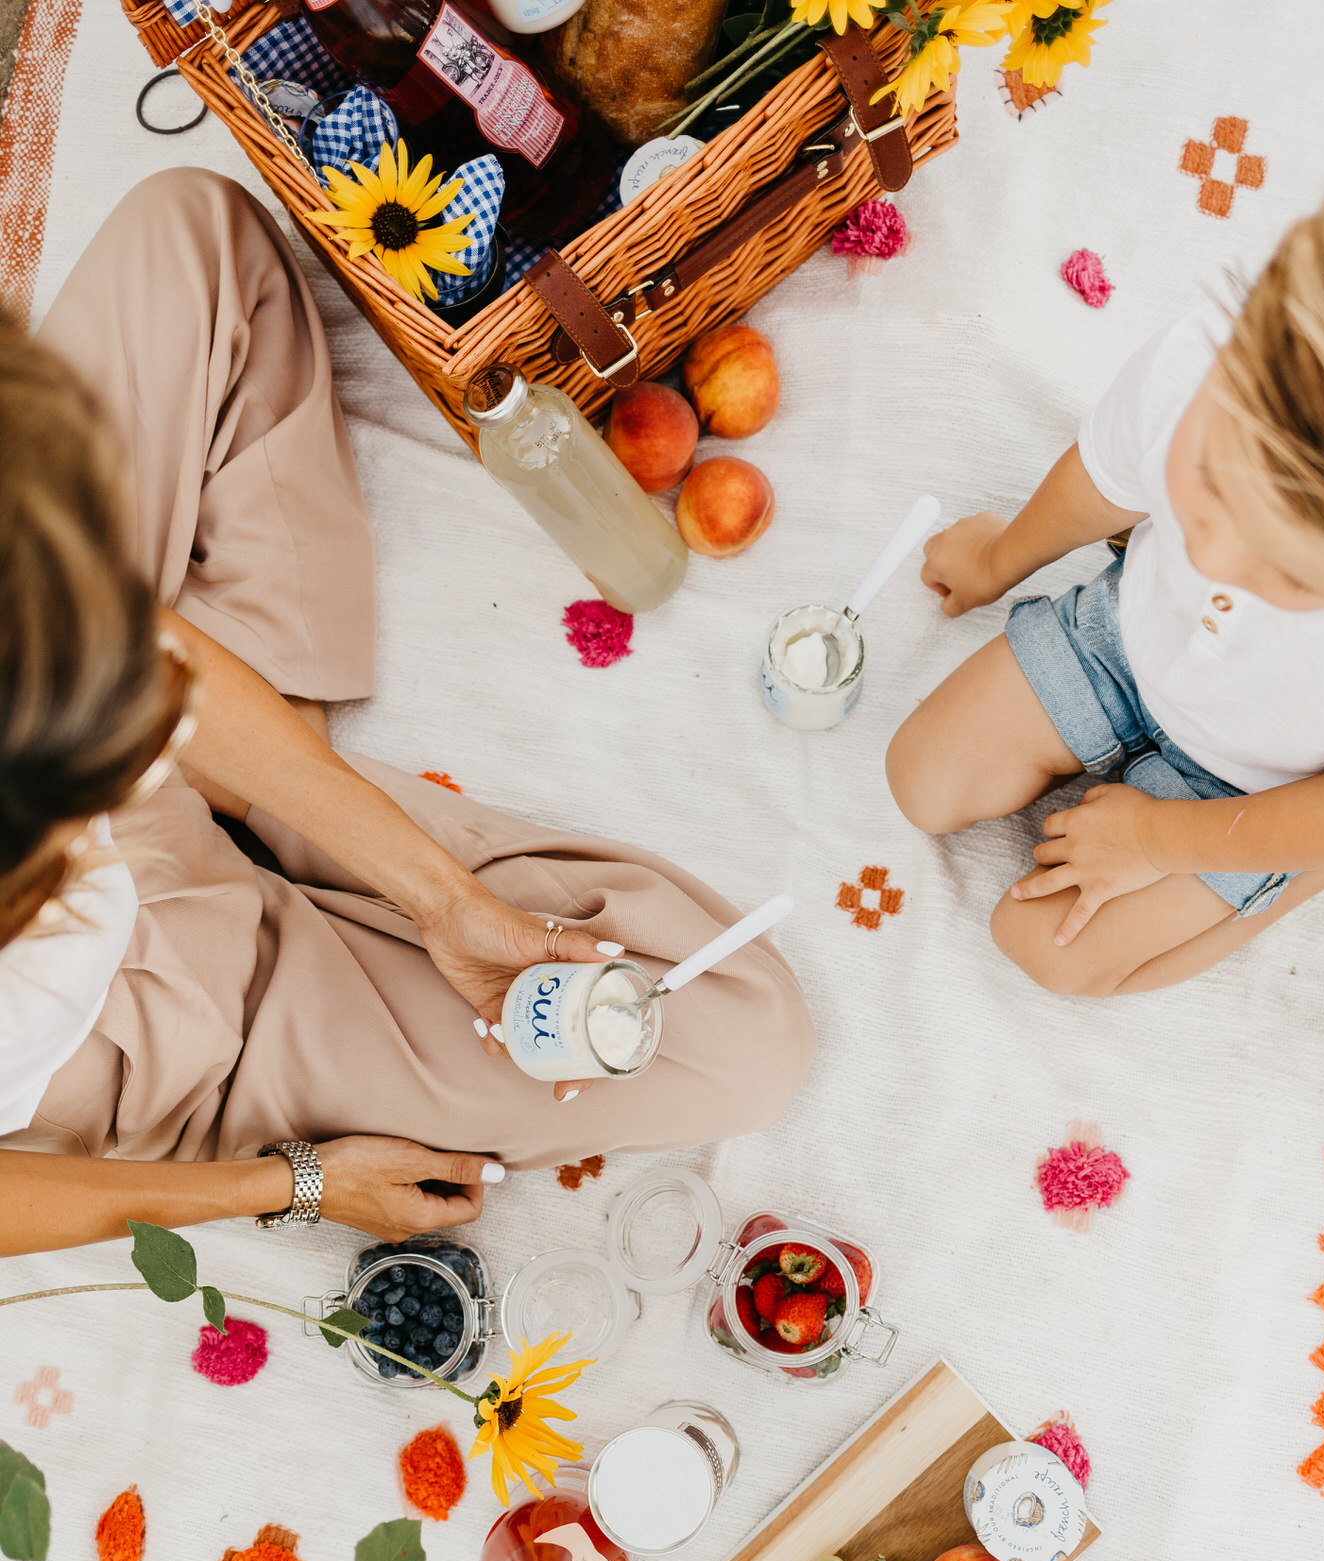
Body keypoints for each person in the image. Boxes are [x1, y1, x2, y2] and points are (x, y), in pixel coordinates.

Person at [0, 168, 814, 1257]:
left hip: (110, 737)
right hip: (163, 1029)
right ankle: (258, 781)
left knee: (191, 232)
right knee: (735, 1037)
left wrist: (438, 902)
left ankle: (257, 777)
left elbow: (120, 653)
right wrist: (285, 1184)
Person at [886, 167, 1324, 997]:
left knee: (1050, 951)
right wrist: (999, 561)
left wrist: (1159, 840)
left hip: (1273, 789)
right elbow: (1099, 480)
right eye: (1211, 487)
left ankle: (1314, 874)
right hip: (1127, 639)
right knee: (921, 778)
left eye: (1281, 570)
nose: (1214, 556)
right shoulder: (1202, 361)